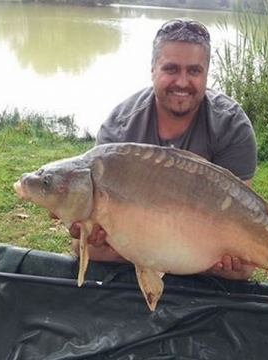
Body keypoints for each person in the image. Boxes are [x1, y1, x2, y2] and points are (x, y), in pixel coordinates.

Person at [70, 18, 257, 280]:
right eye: (171, 69)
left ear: (206, 74)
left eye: (194, 71)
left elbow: (244, 209)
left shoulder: (231, 124)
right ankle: (156, 267)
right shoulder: (120, 127)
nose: (182, 82)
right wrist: (93, 230)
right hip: (140, 229)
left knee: (243, 266)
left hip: (204, 234)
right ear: (152, 69)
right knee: (86, 245)